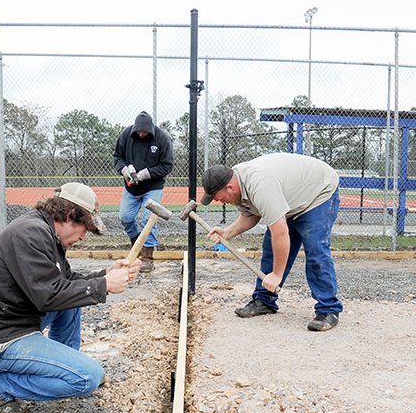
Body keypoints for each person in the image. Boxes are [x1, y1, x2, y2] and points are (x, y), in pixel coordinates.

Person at [0, 182, 141, 413]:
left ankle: (61, 368)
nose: (83, 237)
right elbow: (49, 296)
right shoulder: (31, 234)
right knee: (88, 378)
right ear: (69, 215)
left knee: (75, 300)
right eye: (84, 227)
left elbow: (65, 282)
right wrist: (105, 285)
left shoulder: (44, 230)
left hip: (12, 319)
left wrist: (105, 275)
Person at [200, 152, 343, 332]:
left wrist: (277, 274)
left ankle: (328, 309)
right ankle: (265, 300)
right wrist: (227, 232)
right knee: (270, 249)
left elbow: (280, 232)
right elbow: (251, 215)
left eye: (218, 198)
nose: (218, 201)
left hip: (318, 192)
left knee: (316, 249)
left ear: (229, 188)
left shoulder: (260, 186)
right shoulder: (237, 187)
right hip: (290, 198)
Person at [113, 110, 174, 272]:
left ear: (151, 130)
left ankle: (147, 257)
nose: (141, 134)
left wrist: (145, 174)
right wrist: (125, 170)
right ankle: (137, 246)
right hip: (131, 187)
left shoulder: (162, 138)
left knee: (148, 220)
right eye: (138, 132)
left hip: (153, 187)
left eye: (144, 132)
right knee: (126, 217)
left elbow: (167, 165)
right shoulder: (126, 134)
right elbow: (117, 157)